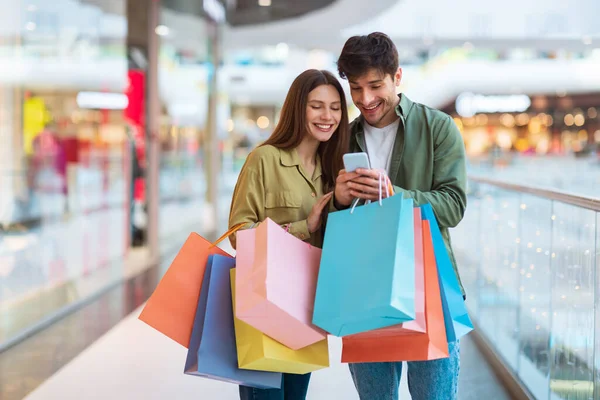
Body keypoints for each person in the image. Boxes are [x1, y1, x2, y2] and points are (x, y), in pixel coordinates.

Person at [333, 32, 467, 400]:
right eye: (356, 88)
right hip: (365, 289)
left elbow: (453, 204)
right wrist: (338, 200)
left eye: (375, 85)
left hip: (429, 285)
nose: (365, 99)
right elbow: (332, 221)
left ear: (398, 77)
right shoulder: (342, 139)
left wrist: (396, 195)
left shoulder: (437, 127)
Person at [228, 68, 350, 400]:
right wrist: (303, 227)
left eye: (336, 107)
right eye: (317, 106)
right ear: (298, 108)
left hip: (308, 306)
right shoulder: (264, 159)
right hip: (264, 304)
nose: (328, 116)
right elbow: (239, 233)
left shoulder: (334, 170)